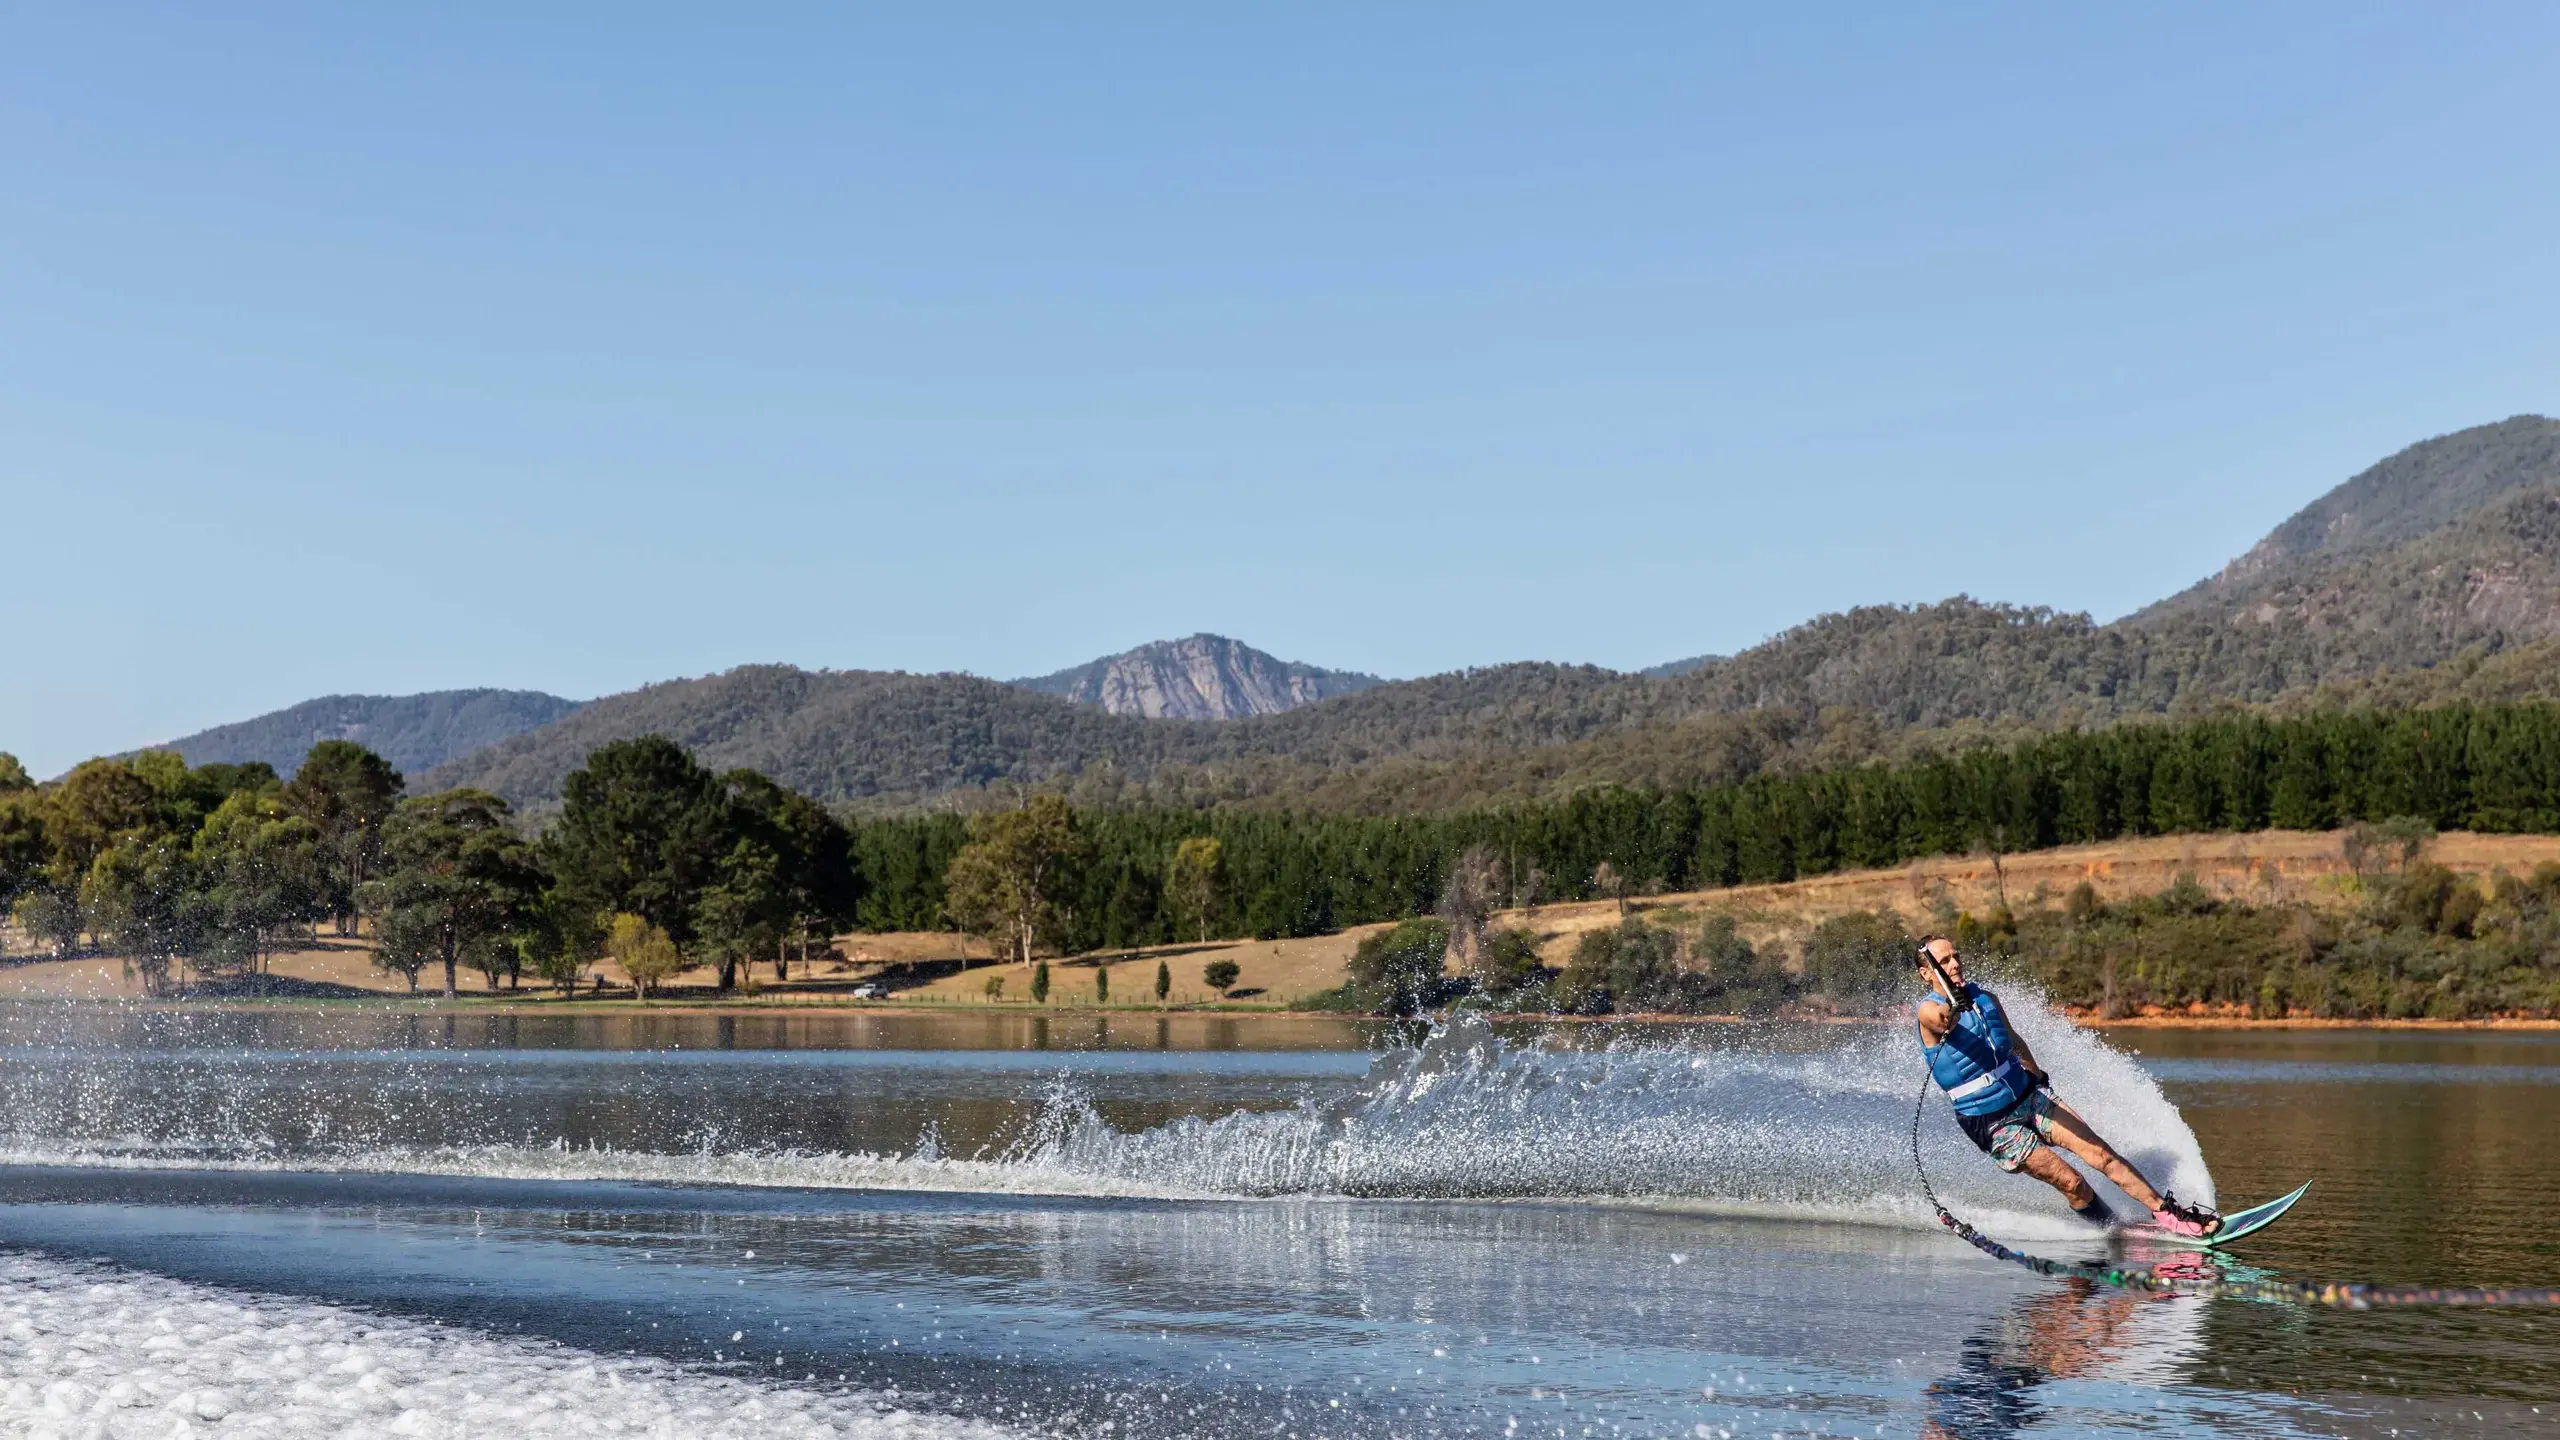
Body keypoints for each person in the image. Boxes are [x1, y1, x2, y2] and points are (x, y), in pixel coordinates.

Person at [1913, 935, 2221, 1238]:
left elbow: (2014, 1041)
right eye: (1944, 961)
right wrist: (1955, 1005)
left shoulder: (1986, 998)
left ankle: (2171, 1215)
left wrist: (2037, 1075)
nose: (1955, 964)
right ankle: (2113, 1231)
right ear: (1927, 973)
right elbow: (1944, 1021)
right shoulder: (1928, 1011)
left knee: (2102, 1155)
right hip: (1992, 1122)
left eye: (1955, 956)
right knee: (2073, 1184)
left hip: (2028, 1095)